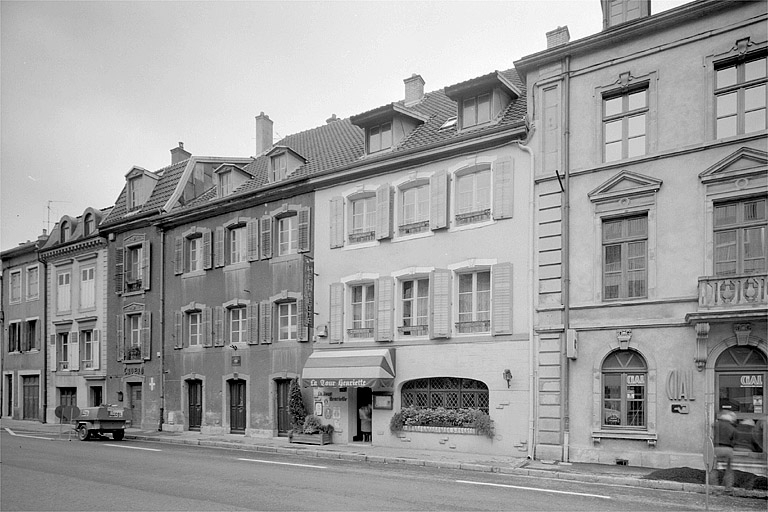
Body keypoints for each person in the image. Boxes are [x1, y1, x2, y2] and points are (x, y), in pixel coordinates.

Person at [711, 411, 737, 492]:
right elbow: (734, 440)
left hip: (716, 448)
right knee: (729, 470)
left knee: (713, 469)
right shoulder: (732, 427)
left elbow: (711, 433)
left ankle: (714, 487)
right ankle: (728, 488)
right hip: (728, 449)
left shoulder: (716, 424)